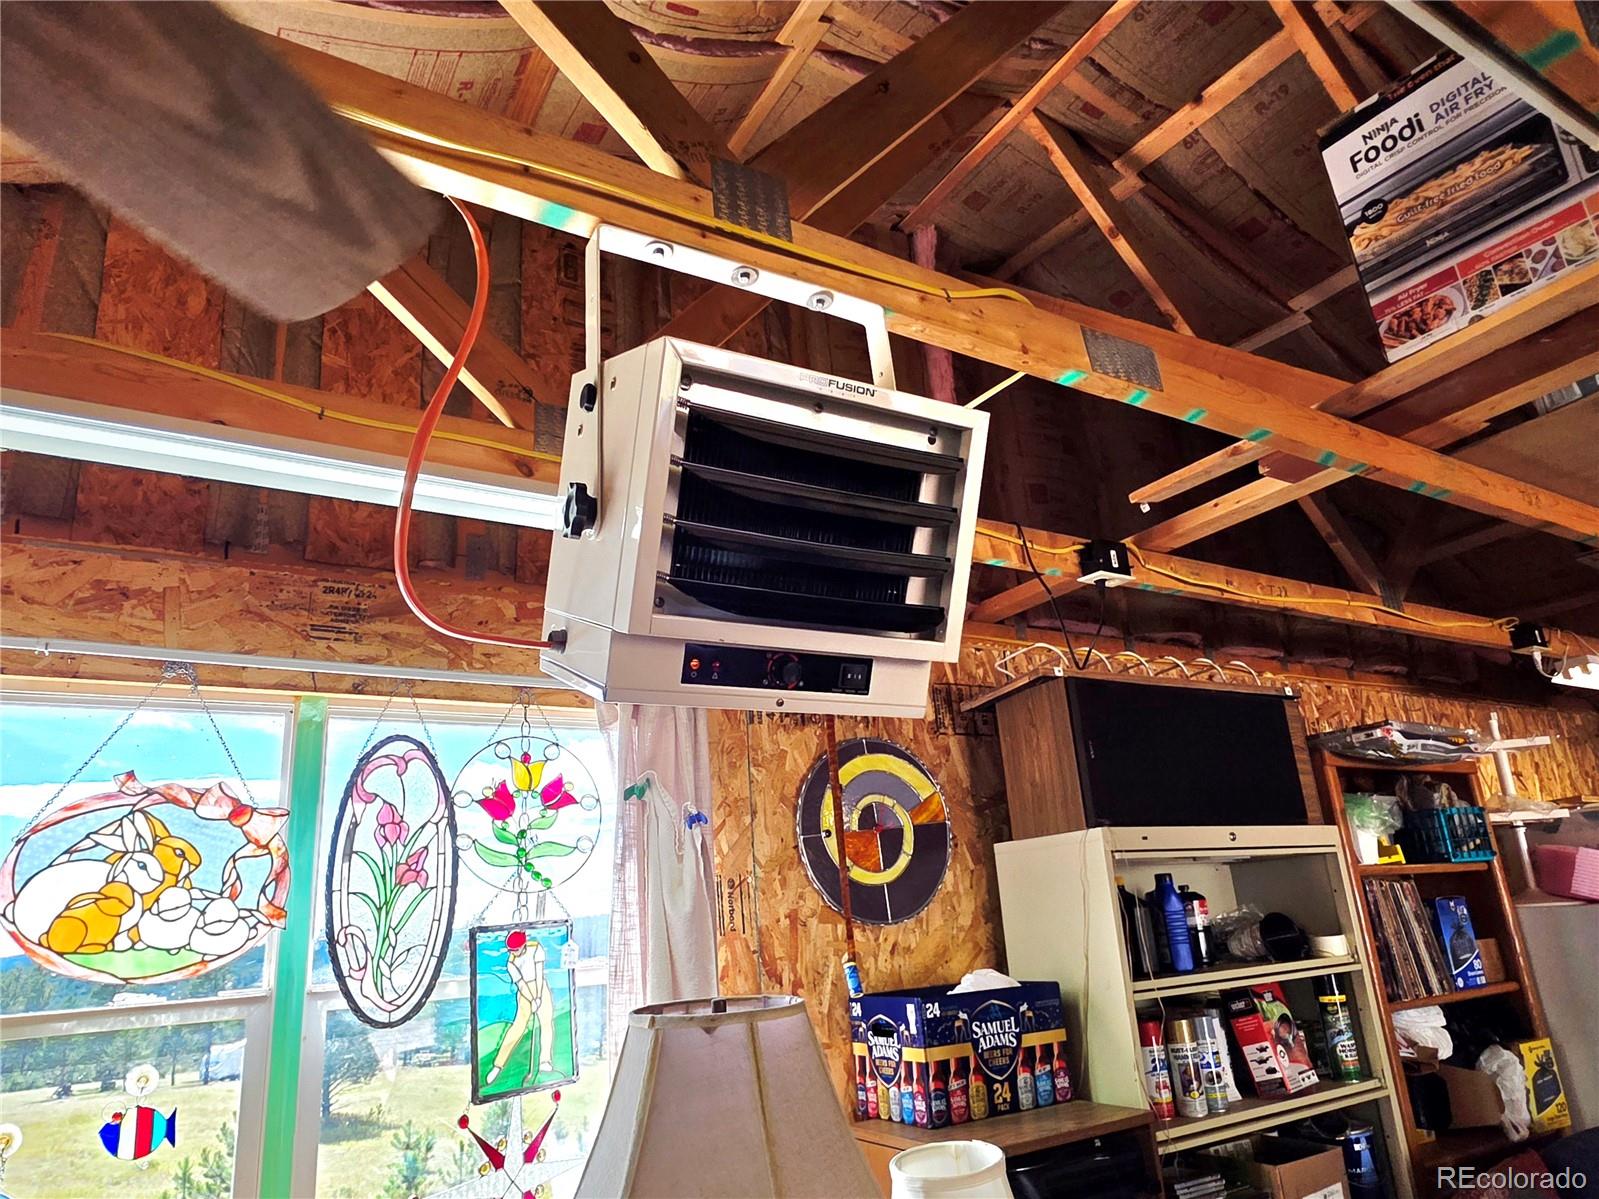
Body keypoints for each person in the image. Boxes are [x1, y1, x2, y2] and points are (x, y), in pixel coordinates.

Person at [484, 930, 555, 1088]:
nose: (512, 953)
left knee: (546, 1023)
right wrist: (532, 999)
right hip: (525, 993)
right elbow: (521, 984)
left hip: (540, 986)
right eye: (510, 950)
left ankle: (545, 1061)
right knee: (518, 1027)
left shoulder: (536, 949)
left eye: (515, 949)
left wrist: (538, 998)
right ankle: (498, 1066)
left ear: (523, 946)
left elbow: (539, 974)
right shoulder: (511, 962)